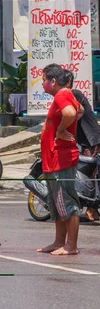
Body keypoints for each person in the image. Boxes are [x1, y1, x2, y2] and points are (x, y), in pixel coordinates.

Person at [37, 64, 84, 256]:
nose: (42, 83)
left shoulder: (62, 94)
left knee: (67, 202)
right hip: (53, 159)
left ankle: (70, 245)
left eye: (43, 80)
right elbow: (79, 110)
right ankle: (59, 242)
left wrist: (62, 130)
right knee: (57, 203)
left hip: (60, 159)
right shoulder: (65, 95)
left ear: (53, 81)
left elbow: (72, 113)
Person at [65, 70, 100, 221]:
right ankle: (92, 209)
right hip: (86, 139)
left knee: (90, 173)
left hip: (90, 139)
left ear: (67, 83)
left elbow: (74, 114)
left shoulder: (75, 94)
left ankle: (92, 209)